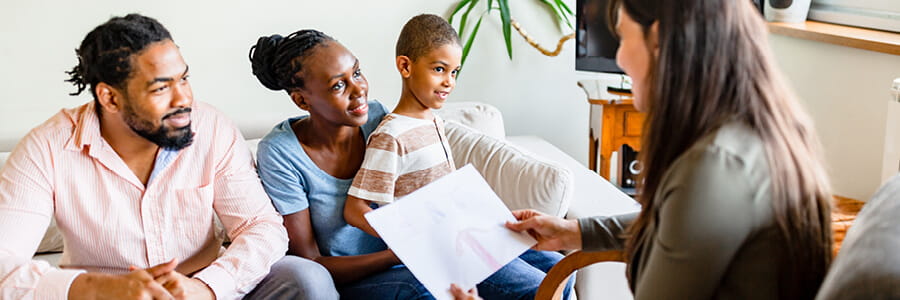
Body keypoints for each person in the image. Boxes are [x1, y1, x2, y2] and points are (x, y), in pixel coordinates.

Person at [504, 0, 834, 299]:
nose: (618, 57)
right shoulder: (756, 134)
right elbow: (678, 224)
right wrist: (574, 232)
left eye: (623, 36)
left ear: (660, 39)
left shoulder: (713, 167)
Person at [0, 14, 336, 300]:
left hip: (203, 284)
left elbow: (261, 226)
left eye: (184, 79)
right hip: (105, 292)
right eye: (161, 88)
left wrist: (206, 287)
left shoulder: (211, 127)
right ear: (110, 98)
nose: (184, 99)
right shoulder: (47, 147)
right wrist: (99, 289)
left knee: (307, 280)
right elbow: (4, 264)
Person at [251, 16, 571, 300]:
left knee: (558, 268)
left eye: (357, 72)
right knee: (514, 288)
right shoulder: (281, 154)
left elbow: (422, 180)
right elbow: (312, 262)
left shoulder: (376, 117)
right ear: (301, 100)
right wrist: (395, 253)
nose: (358, 90)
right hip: (363, 275)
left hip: (419, 252)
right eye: (338, 85)